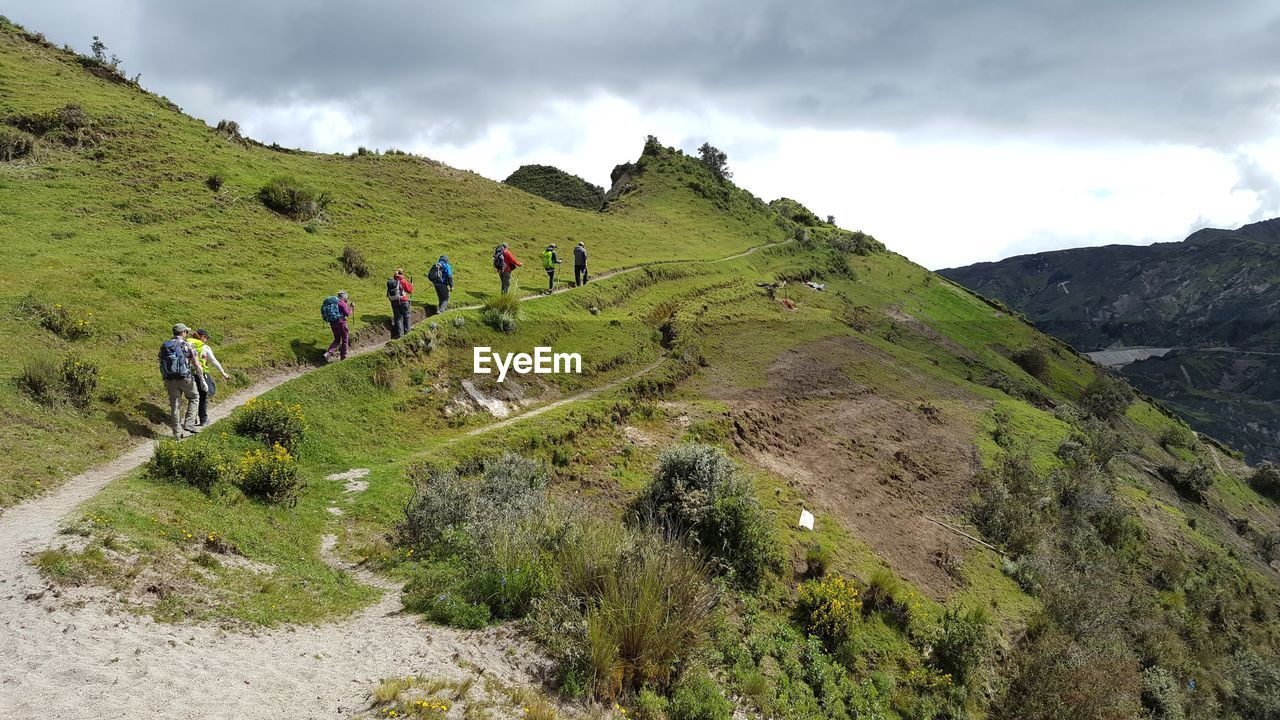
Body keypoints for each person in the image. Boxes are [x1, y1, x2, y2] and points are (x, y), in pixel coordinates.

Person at [158, 323, 206, 439]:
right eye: (186, 332)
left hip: (169, 380)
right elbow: (197, 364)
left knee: (175, 406)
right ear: (182, 332)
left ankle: (177, 433)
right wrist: (202, 380)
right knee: (194, 397)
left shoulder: (165, 346)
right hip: (185, 378)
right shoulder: (187, 345)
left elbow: (159, 361)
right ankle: (189, 424)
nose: (187, 334)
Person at [189, 328, 231, 425]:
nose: (207, 339)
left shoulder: (187, 345)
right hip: (202, 374)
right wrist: (223, 372)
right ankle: (203, 419)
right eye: (206, 337)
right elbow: (213, 361)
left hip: (189, 374)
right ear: (202, 337)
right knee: (203, 396)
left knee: (193, 397)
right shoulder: (205, 348)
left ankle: (192, 419)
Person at [323, 291, 354, 361]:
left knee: (337, 340)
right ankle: (343, 357)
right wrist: (351, 308)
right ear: (345, 297)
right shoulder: (342, 303)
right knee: (345, 340)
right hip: (341, 323)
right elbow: (347, 314)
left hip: (333, 323)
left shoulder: (334, 302)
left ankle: (328, 353)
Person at [387, 268, 413, 338]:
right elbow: (409, 290)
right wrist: (411, 285)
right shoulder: (402, 281)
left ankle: (400, 334)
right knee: (407, 315)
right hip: (403, 300)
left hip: (394, 301)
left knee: (398, 318)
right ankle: (407, 332)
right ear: (401, 274)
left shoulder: (392, 282)